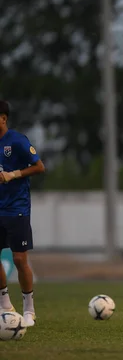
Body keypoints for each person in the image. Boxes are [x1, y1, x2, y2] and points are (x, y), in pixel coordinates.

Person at [0, 100, 45, 327]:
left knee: (19, 259)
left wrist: (13, 174)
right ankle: (5, 305)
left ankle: (29, 309)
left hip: (17, 208)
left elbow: (39, 167)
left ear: (3, 118)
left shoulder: (16, 141)